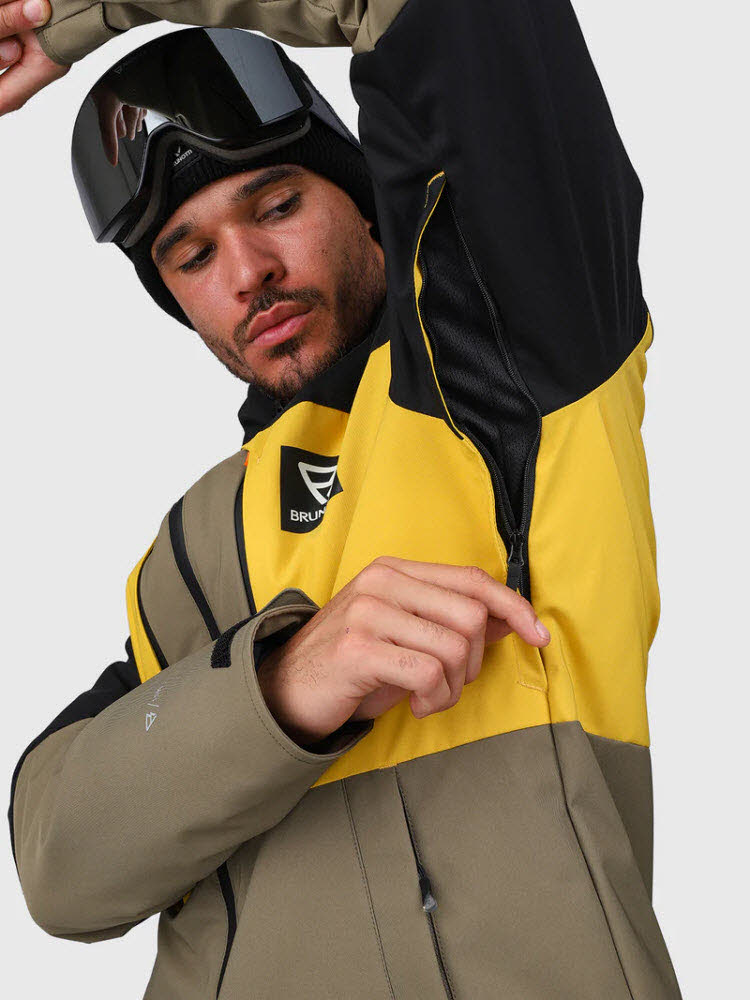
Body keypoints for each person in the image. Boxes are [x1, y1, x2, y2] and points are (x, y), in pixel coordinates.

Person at [7, 6, 683, 1000]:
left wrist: (81, 11)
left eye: (277, 204)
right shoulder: (187, 550)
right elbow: (57, 866)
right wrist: (282, 686)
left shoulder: (518, 363)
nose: (248, 274)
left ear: (369, 203)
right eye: (192, 256)